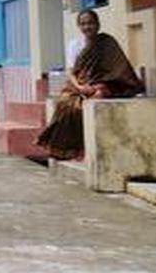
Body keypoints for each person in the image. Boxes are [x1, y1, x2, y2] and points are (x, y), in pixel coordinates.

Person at [36, 9, 143, 160]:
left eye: (91, 23)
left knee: (94, 100)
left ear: (98, 24)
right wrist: (80, 87)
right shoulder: (74, 45)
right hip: (79, 84)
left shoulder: (107, 42)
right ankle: (68, 148)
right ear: (79, 26)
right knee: (67, 104)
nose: (87, 27)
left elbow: (117, 69)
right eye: (83, 24)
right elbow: (71, 72)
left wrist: (95, 86)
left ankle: (85, 148)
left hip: (103, 83)